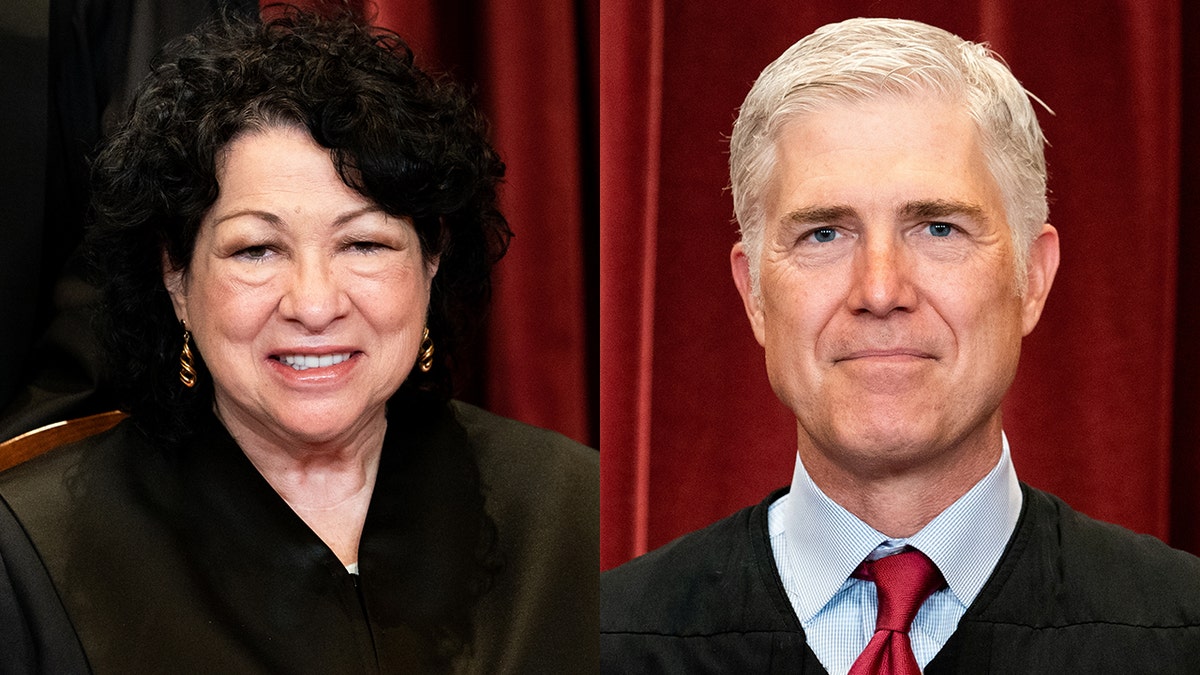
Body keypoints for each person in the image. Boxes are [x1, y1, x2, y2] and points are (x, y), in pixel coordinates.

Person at [0, 6, 598, 673]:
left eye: (364, 243)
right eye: (256, 250)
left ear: (432, 260)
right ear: (175, 274)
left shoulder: (574, 511)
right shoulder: (31, 556)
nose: (314, 303)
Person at [601, 17, 1200, 674]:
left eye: (938, 228)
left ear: (1032, 276)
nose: (881, 289)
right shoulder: (607, 641)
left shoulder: (1179, 633)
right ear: (754, 295)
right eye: (825, 234)